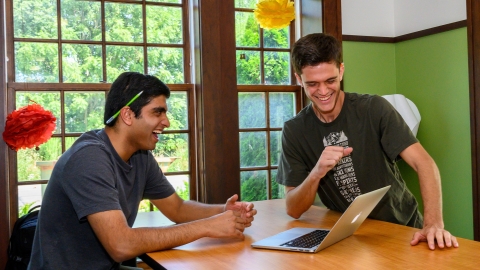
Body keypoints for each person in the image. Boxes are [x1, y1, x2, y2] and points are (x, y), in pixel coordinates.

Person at [28, 72, 257, 269]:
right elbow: (121, 245)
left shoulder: (140, 156)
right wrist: (208, 227)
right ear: (127, 115)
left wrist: (221, 211)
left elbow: (177, 208)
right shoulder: (89, 158)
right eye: (157, 112)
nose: (166, 122)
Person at [276, 33, 458, 251]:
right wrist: (317, 172)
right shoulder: (294, 130)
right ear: (298, 79)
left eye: (330, 81)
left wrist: (434, 225)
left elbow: (425, 164)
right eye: (312, 84)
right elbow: (293, 209)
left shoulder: (374, 109)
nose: (323, 92)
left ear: (341, 70)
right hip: (352, 238)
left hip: (404, 229)